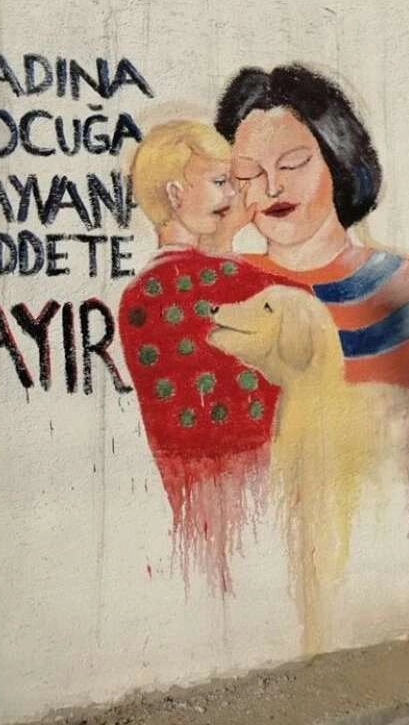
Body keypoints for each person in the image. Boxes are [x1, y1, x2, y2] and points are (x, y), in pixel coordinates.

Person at [215, 63, 409, 605]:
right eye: (248, 173)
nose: (272, 188)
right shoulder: (228, 288)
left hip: (378, 539)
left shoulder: (398, 284)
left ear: (337, 157)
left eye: (293, 164)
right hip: (261, 559)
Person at [117, 119, 287, 594]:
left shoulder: (137, 295)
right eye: (219, 182)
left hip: (193, 504)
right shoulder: (223, 282)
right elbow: (304, 315)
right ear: (175, 194)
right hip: (257, 498)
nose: (234, 195)